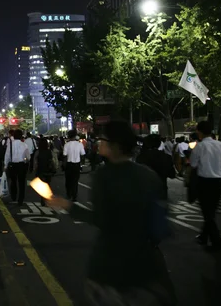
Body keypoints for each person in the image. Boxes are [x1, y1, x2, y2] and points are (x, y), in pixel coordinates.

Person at [86, 121, 176, 305]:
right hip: (146, 265)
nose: (99, 142)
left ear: (116, 146)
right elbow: (160, 224)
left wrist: (66, 206)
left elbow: (101, 219)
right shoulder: (148, 175)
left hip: (110, 265)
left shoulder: (103, 177)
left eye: (103, 139)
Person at [190, 120, 221, 251]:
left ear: (199, 132)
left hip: (204, 182)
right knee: (211, 211)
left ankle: (217, 242)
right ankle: (203, 236)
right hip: (218, 182)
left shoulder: (199, 147)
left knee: (208, 213)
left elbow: (193, 165)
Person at [136, 134, 176, 200]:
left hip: (145, 191)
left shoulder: (141, 157)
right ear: (159, 144)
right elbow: (172, 174)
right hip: (161, 190)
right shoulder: (166, 157)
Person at [3, 129, 30, 206]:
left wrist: (5, 165)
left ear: (14, 136)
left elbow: (7, 156)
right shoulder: (24, 145)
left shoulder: (10, 145)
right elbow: (28, 157)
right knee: (21, 183)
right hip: (22, 165)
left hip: (12, 165)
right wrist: (25, 159)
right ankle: (20, 199)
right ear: (21, 136)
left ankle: (14, 196)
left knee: (13, 181)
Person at [63, 130, 86, 202]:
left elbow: (64, 155)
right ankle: (74, 196)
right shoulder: (80, 144)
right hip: (77, 164)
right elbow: (83, 154)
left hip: (69, 164)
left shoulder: (66, 144)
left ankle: (69, 194)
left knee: (68, 180)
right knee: (75, 181)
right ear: (75, 136)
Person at [32, 138, 57, 206]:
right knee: (48, 184)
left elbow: (35, 162)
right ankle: (47, 198)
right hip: (48, 170)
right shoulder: (49, 151)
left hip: (40, 170)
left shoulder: (38, 152)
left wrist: (34, 169)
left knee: (42, 185)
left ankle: (43, 199)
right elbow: (53, 160)